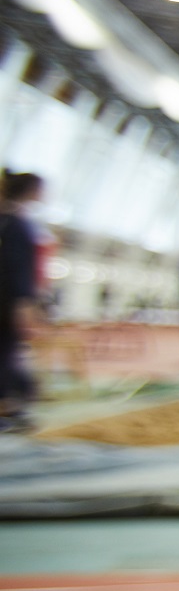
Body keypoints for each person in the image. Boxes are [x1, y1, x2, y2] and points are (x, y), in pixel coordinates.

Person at [0, 172, 46, 432]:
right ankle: (6, 407)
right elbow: (18, 270)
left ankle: (10, 404)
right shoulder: (16, 225)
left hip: (8, 301)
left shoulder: (9, 222)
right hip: (8, 305)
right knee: (6, 354)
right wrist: (24, 306)